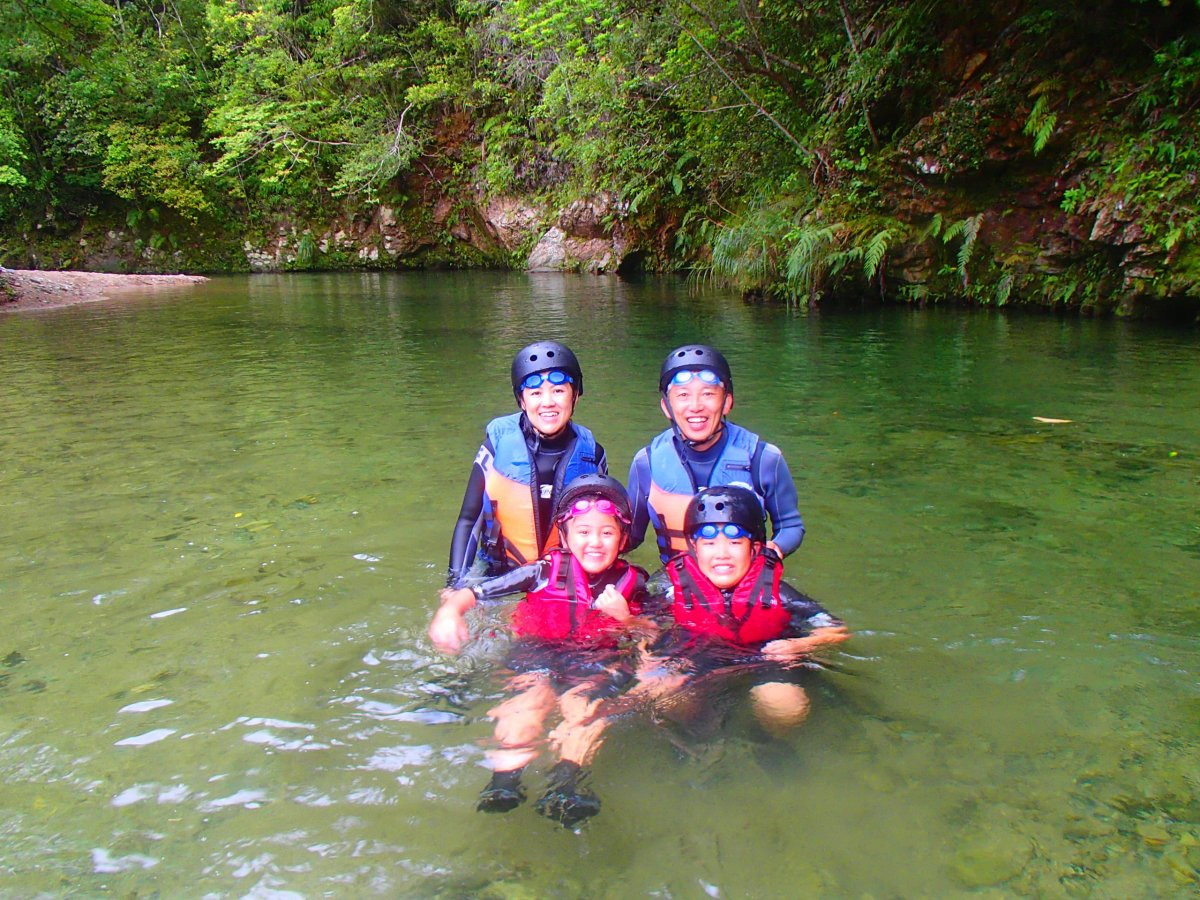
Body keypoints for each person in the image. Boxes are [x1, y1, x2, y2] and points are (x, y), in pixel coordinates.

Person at [429, 474, 650, 827]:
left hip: (593, 661)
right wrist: (449, 611)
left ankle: (566, 783)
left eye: (606, 533)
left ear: (623, 538)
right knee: (527, 701)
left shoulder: (635, 585)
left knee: (583, 710)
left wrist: (627, 620)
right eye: (583, 532)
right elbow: (477, 593)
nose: (595, 542)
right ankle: (504, 781)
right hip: (537, 653)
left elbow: (654, 633)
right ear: (565, 536)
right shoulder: (542, 571)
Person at [633, 486, 849, 737]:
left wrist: (800, 647)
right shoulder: (671, 589)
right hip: (698, 655)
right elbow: (644, 623)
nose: (722, 554)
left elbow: (836, 630)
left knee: (786, 708)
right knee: (663, 698)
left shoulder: (777, 593)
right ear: (694, 547)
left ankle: (762, 738)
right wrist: (647, 655)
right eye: (710, 543)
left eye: (735, 543)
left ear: (755, 548)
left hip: (763, 657)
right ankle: (697, 738)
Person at [447, 341, 607, 587]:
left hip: (563, 578)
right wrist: (455, 585)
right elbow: (469, 520)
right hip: (498, 574)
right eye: (535, 393)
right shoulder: (495, 447)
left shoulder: (593, 455)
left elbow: (606, 528)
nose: (547, 402)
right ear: (522, 401)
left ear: (575, 395)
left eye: (558, 391)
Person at [627, 344, 804, 564]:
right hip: (675, 583)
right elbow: (630, 535)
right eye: (683, 395)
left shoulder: (763, 458)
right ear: (666, 406)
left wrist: (775, 550)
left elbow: (790, 525)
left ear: (727, 402)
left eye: (708, 394)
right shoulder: (646, 463)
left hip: (745, 580)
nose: (695, 406)